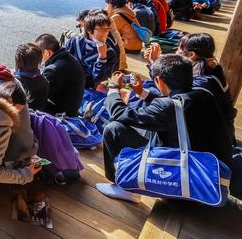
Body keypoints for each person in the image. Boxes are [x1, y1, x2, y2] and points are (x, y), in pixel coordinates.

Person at [96, 55, 234, 202]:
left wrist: (113, 89)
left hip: (186, 176)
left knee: (114, 128)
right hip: (212, 170)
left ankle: (123, 187)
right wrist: (142, 92)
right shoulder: (204, 94)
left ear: (159, 81)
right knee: (141, 127)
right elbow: (172, 104)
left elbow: (120, 113)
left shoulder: (167, 107)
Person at [145, 33, 237, 144]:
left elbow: (172, 97)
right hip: (207, 126)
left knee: (147, 100)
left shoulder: (204, 83)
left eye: (179, 49)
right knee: (148, 87)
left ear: (192, 55)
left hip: (209, 139)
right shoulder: (210, 68)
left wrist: (154, 65)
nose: (176, 51)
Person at [34, 33, 85, 117]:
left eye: (39, 55)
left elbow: (40, 96)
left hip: (61, 114)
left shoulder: (53, 69)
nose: (38, 58)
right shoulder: (69, 58)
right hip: (72, 109)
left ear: (47, 52)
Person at [65, 12, 117, 89]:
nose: (106, 33)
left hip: (87, 88)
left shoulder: (109, 53)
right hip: (68, 81)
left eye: (107, 29)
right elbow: (62, 59)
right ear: (89, 30)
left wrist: (102, 58)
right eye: (102, 29)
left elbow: (99, 79)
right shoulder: (74, 41)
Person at [13, 43, 49, 112]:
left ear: (17, 63)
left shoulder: (14, 83)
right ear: (39, 61)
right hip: (38, 119)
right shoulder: (44, 81)